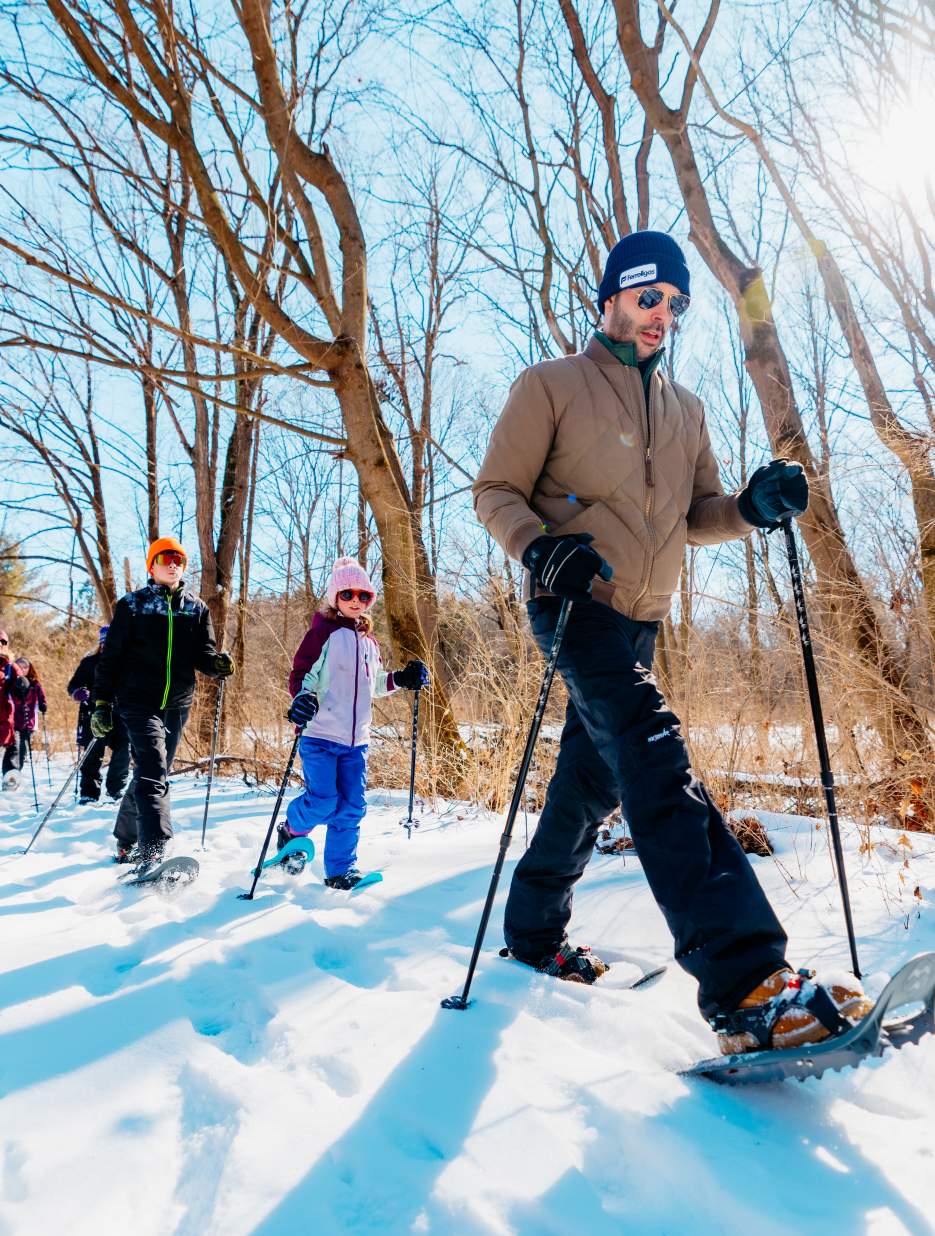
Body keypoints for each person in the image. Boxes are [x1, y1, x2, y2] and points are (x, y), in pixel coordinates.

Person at [473, 229, 870, 1055]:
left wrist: (752, 509)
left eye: (675, 305)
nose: (661, 316)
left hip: (643, 618)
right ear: (611, 297)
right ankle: (745, 984)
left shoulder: (684, 409)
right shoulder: (550, 385)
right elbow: (496, 491)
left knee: (591, 782)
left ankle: (535, 933)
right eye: (648, 297)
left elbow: (699, 517)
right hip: (574, 603)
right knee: (654, 756)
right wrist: (540, 548)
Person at [282, 557, 428, 890]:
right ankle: (291, 828)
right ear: (335, 596)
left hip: (356, 742)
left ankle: (339, 872)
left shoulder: (369, 641)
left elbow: (374, 683)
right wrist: (301, 700)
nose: (355, 602)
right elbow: (301, 674)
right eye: (348, 594)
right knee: (323, 802)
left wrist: (402, 679)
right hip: (319, 734)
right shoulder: (322, 634)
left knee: (352, 807)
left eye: (363, 596)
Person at [90, 536, 234, 868]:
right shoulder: (133, 605)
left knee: (154, 772)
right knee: (154, 770)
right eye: (166, 558)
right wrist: (100, 704)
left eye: (179, 560)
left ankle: (126, 841)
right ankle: (153, 850)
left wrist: (218, 665)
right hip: (137, 700)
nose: (173, 564)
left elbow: (204, 655)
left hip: (178, 702)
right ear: (152, 565)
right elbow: (110, 658)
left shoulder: (196, 608)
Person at [67, 626, 131, 804]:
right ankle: (89, 793)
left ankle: (116, 789)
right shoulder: (90, 663)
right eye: (105, 643)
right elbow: (73, 685)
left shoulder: (127, 663)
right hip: (93, 714)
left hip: (121, 716)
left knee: (123, 750)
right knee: (93, 754)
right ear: (101, 644)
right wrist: (78, 692)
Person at [1, 657, 48, 785]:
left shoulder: (35, 684)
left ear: (30, 668)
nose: (22, 669)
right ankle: (9, 772)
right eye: (19, 666)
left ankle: (15, 775)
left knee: (23, 749)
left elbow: (41, 697)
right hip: (13, 721)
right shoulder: (10, 683)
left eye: (25, 667)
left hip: (29, 722)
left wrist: (43, 705)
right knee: (14, 746)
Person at [0, 630, 28, 790]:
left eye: (1, 643)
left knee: (14, 747)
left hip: (6, 718)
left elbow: (21, 689)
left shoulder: (11, 667)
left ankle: (10, 778)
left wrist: (22, 685)